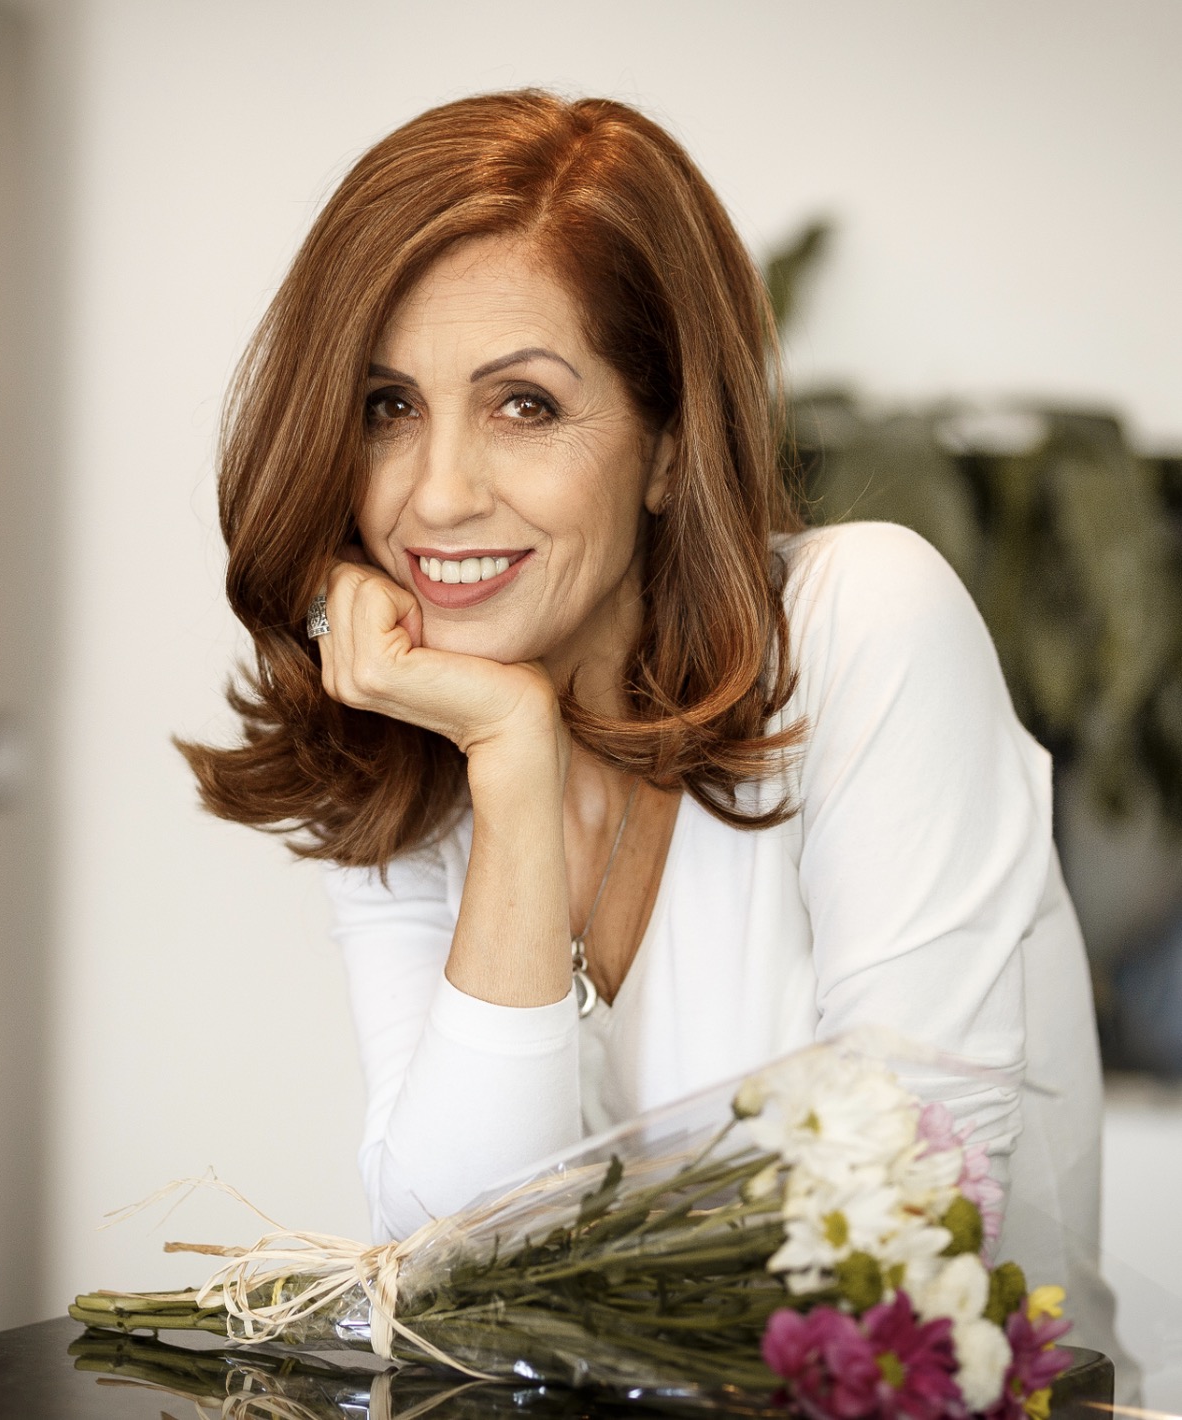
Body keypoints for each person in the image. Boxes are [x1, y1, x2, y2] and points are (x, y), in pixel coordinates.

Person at [182, 90, 1121, 1362]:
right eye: (387, 407)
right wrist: (511, 762)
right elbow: (456, 1263)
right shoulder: (415, 736)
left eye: (523, 404)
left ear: (670, 443)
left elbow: (908, 1245)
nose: (437, 496)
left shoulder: (864, 623)